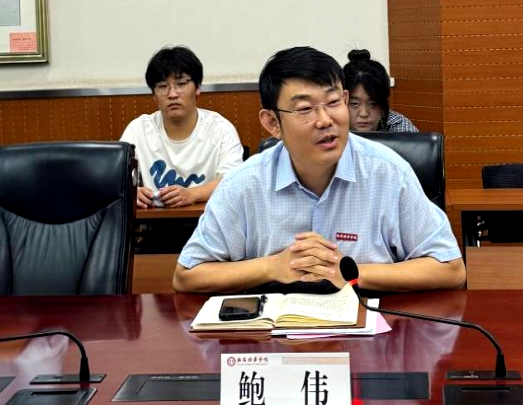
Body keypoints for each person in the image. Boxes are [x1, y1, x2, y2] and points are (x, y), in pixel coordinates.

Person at [173, 46, 465, 295]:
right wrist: (272, 267)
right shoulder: (244, 184)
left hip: (371, 331)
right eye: (305, 109)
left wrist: (348, 272)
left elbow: (450, 268)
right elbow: (187, 275)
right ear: (272, 123)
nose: (325, 120)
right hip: (274, 336)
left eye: (334, 102)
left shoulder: (389, 173)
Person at [120, 46, 243, 209]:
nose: (172, 94)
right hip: (152, 223)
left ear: (197, 87)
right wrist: (131, 192)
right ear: (153, 94)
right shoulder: (138, 130)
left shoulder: (221, 130)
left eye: (181, 84)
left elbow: (233, 182)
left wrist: (192, 194)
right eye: (162, 86)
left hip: (208, 222)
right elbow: (115, 181)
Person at [343, 49, 418, 133]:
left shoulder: (401, 130)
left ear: (383, 105)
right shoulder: (334, 126)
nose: (364, 114)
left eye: (373, 104)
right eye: (354, 104)